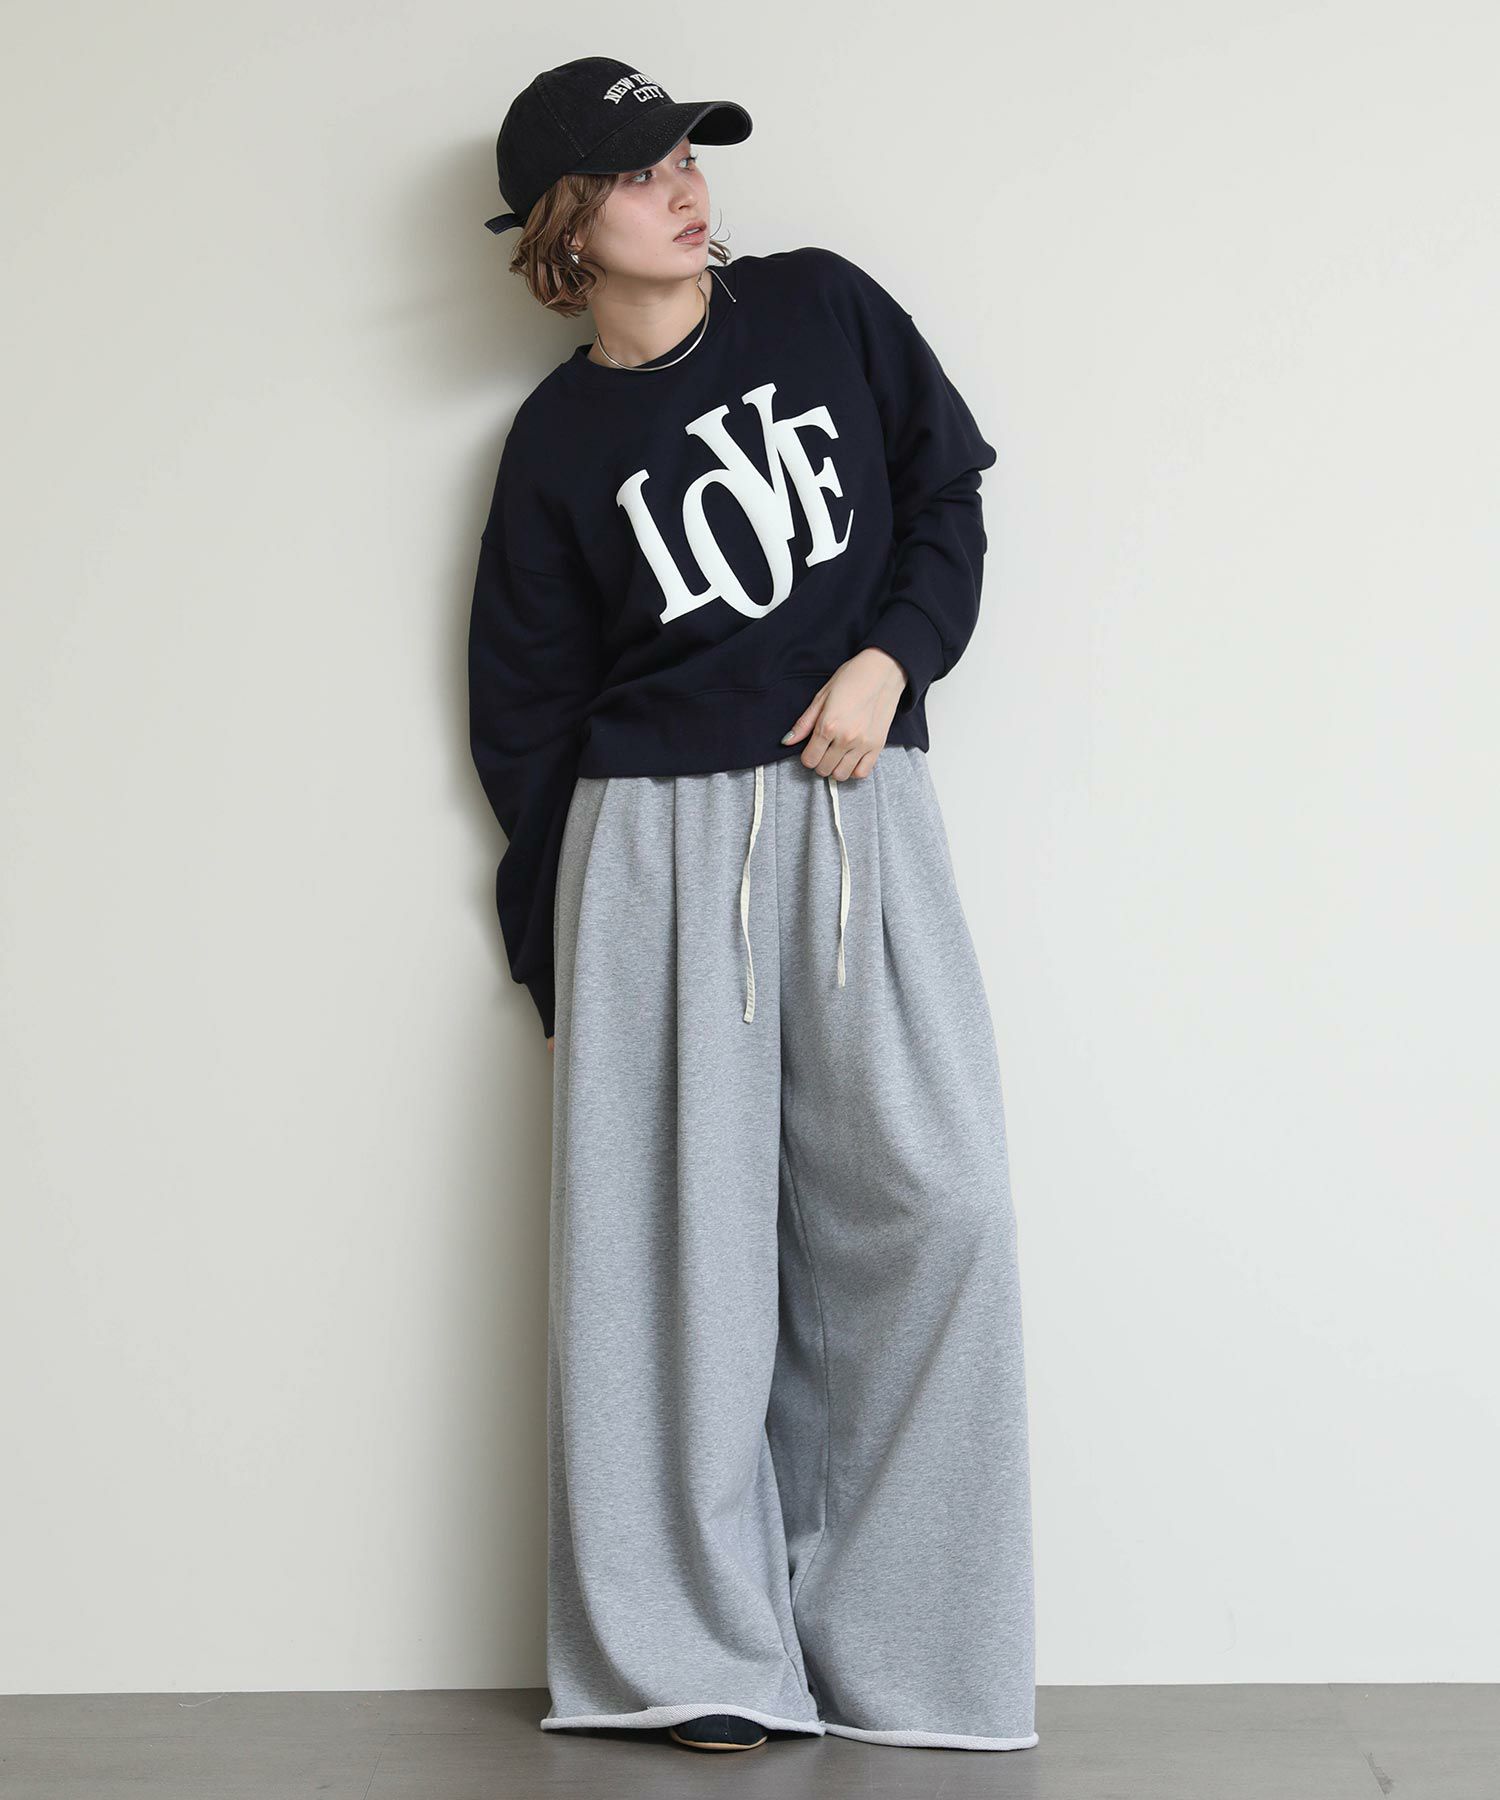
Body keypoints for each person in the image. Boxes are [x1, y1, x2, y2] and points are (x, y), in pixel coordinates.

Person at [467, 55, 1037, 1758]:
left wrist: (891, 659)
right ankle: (698, 1654)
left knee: (940, 1205)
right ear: (567, 231)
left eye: (686, 156)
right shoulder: (557, 442)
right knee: (677, 1271)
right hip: (650, 853)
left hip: (859, 812)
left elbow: (947, 497)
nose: (684, 187)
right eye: (638, 173)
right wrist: (560, 958)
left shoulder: (823, 310)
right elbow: (526, 719)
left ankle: (895, 1649)